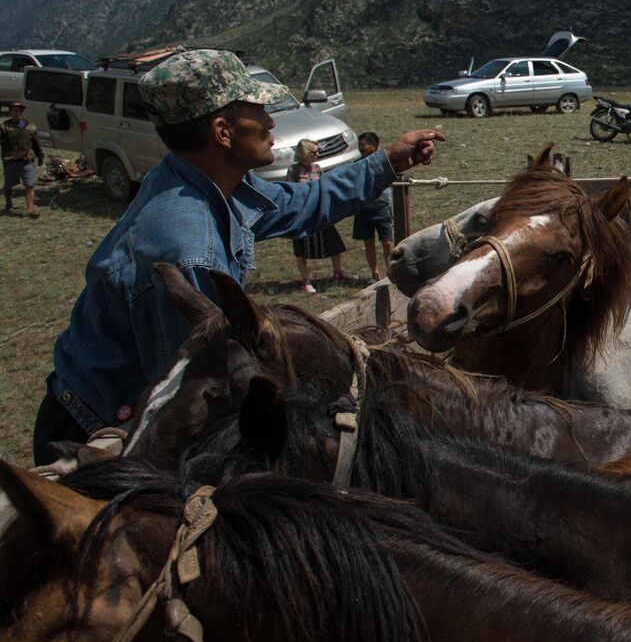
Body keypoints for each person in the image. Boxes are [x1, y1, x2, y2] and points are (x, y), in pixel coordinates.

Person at [37, 48, 443, 462]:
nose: (270, 122)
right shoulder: (188, 250)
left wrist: (387, 163)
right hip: (101, 430)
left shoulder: (204, 182)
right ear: (222, 132)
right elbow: (194, 390)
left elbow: (302, 203)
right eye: (258, 112)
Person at [287, 139, 350, 292]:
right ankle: (305, 279)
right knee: (301, 247)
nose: (317, 155)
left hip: (319, 211)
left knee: (334, 242)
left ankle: (338, 272)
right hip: (302, 214)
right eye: (314, 152)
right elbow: (290, 191)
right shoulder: (293, 170)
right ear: (305, 154)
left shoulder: (318, 168)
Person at [353, 131, 395, 282]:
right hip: (363, 209)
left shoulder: (385, 162)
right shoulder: (357, 165)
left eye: (364, 144)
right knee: (368, 242)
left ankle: (392, 272)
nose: (360, 147)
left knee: (387, 242)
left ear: (373, 146)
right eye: (360, 144)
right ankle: (375, 274)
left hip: (382, 208)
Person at [3, 100, 44, 218]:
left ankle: (30, 209)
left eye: (20, 110)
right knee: (8, 186)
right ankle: (9, 203)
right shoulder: (4, 127)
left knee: (30, 185)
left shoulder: (30, 126)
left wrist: (40, 156)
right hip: (11, 160)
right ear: (10, 112)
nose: (17, 113)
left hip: (27, 160)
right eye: (15, 110)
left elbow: (36, 144)